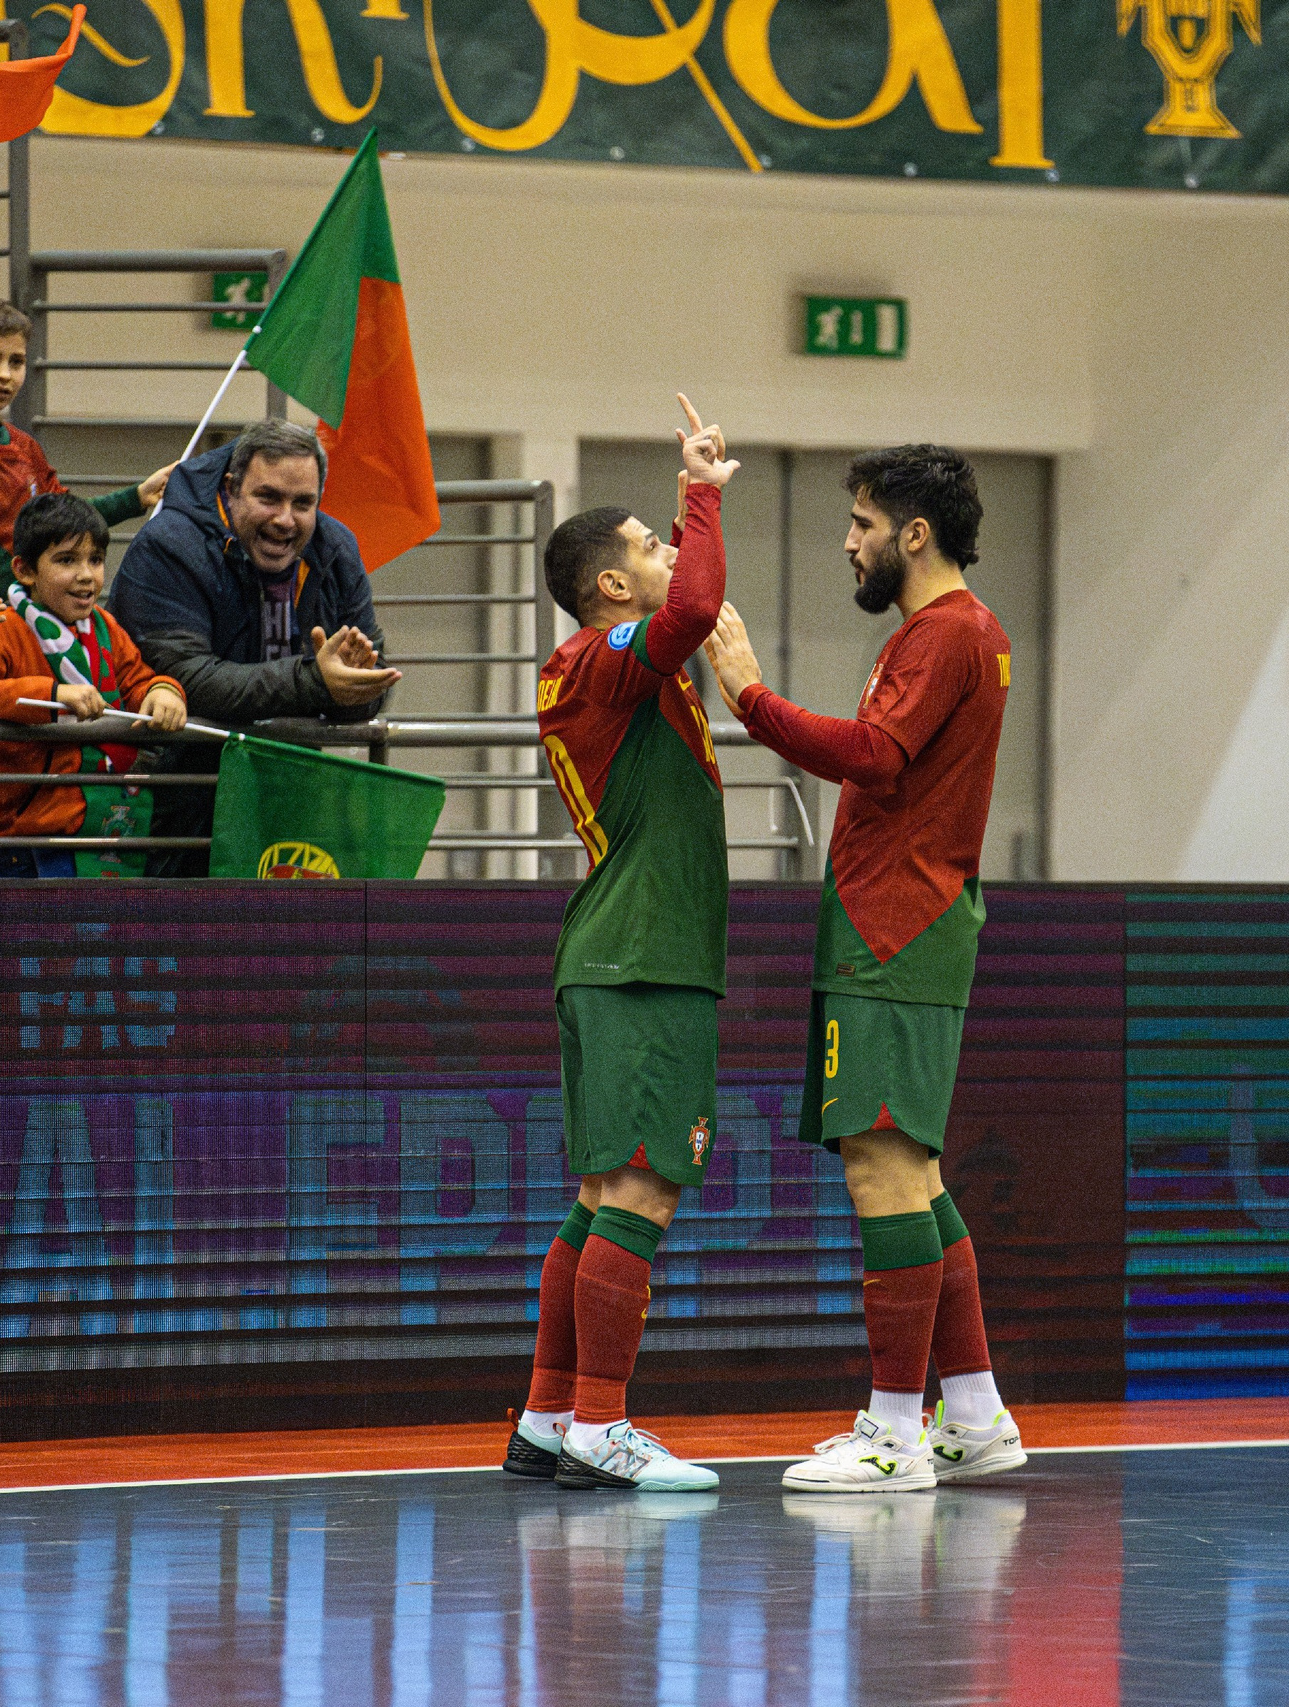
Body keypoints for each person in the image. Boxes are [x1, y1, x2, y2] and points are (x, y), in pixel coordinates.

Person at [704, 443, 1026, 1494]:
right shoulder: (952, 636)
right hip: (895, 924)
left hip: (898, 928)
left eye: (860, 523)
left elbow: (877, 759)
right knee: (915, 1173)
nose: (848, 541)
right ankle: (972, 1414)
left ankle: (891, 1433)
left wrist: (749, 696)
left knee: (883, 1166)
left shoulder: (948, 636)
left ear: (912, 533)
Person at [503, 396, 733, 1495]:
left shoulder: (597, 672)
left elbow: (685, 609)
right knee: (641, 1192)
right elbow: (694, 610)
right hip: (643, 958)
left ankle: (548, 1418)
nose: (671, 551)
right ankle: (602, 1424)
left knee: (600, 1198)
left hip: (611, 952)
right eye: (649, 544)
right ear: (609, 587)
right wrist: (703, 488)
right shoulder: (604, 660)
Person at [0, 294, 171, 835]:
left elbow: (66, 521)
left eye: (16, 362)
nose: (5, 375)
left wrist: (136, 496)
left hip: (24, 646)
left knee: (20, 786)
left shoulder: (25, 447)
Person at [108, 419, 398, 877]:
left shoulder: (336, 545)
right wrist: (317, 682)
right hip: (169, 804)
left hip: (287, 803)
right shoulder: (168, 546)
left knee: (275, 944)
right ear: (231, 488)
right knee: (174, 943)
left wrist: (358, 686)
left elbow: (369, 677)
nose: (286, 520)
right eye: (269, 498)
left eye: (303, 503)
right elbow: (189, 680)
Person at [0, 492, 187, 878]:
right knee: (37, 939)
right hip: (27, 839)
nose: (86, 575)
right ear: (24, 570)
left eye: (95, 560)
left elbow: (138, 681)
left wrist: (164, 690)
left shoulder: (105, 626)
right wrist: (50, 697)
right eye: (67, 560)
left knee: (97, 937)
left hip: (109, 826)